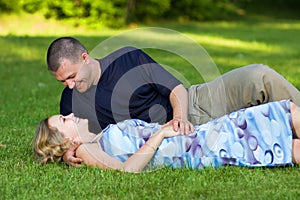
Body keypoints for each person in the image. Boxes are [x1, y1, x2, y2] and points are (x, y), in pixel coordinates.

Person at [46, 37, 300, 166]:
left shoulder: (128, 59)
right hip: (166, 141)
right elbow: (74, 136)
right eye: (62, 81)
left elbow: (176, 89)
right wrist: (70, 153)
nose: (69, 85)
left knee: (258, 75)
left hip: (192, 108)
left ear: (85, 58)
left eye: (72, 76)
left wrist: (180, 118)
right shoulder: (70, 102)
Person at [33, 99, 300, 172]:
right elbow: (128, 171)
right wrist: (159, 134)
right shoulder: (85, 151)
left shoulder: (94, 139)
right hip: (202, 148)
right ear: (64, 140)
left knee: (286, 112)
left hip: (200, 135)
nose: (69, 115)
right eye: (63, 120)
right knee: (290, 142)